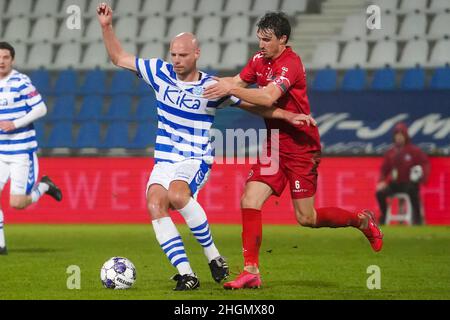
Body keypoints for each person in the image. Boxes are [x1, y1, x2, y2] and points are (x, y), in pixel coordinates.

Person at [96, 3, 314, 291]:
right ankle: (186, 273)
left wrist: (288, 115)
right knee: (155, 204)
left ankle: (213, 256)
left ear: (196, 54)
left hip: (195, 157)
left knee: (176, 195)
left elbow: (254, 106)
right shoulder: (157, 72)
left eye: (183, 55)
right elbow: (119, 57)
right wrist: (106, 26)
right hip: (165, 159)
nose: (176, 60)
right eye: (173, 54)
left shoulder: (212, 86)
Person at [204, 12, 384, 290]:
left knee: (306, 218)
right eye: (259, 39)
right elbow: (236, 83)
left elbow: (266, 98)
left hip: (301, 146)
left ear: (283, 39)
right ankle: (251, 271)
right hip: (274, 145)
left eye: (267, 40)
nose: (261, 44)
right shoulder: (259, 61)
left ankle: (361, 220)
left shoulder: (291, 64)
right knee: (249, 199)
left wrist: (231, 91)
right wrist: (206, 82)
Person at [0, 42, 63, 255]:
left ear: (12, 60)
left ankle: (44, 186)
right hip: (0, 152)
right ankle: (0, 245)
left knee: (17, 204)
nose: (1, 61)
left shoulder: (20, 82)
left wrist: (15, 123)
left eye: (6, 57)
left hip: (20, 152)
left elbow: (41, 108)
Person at [376, 122, 430, 225]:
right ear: (394, 137)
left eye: (401, 135)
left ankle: (417, 219)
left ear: (405, 136)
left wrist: (423, 178)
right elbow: (384, 169)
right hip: (395, 184)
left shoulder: (414, 151)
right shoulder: (391, 152)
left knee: (413, 191)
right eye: (397, 136)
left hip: (409, 183)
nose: (399, 138)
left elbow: (425, 163)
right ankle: (384, 216)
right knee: (380, 193)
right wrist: (381, 181)